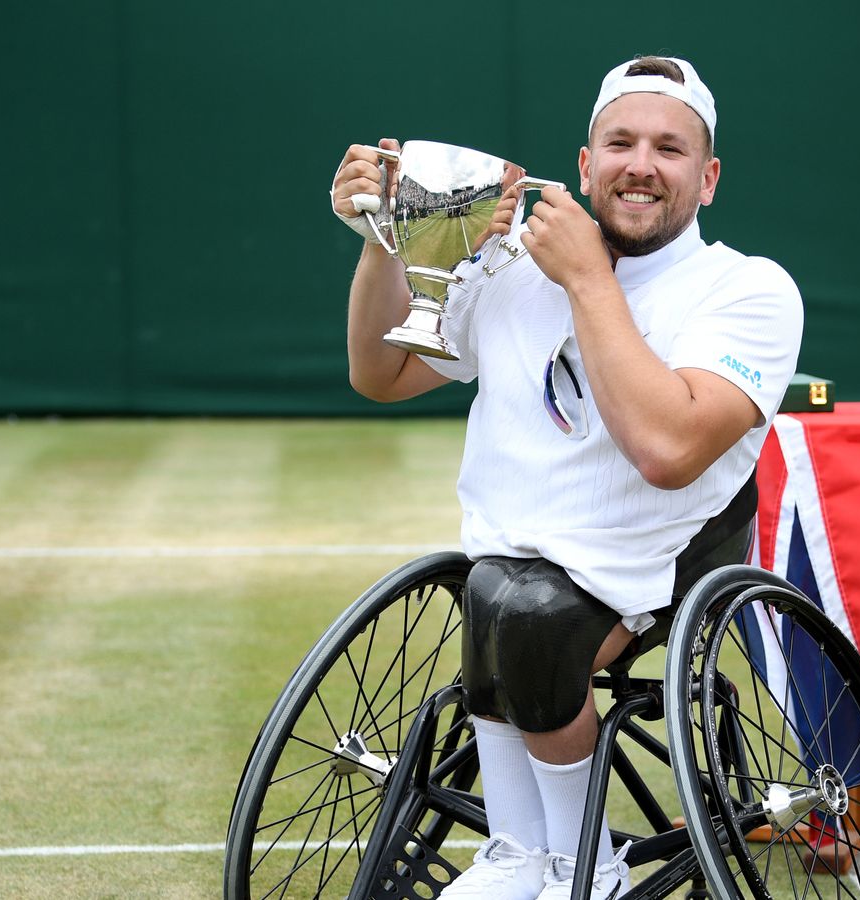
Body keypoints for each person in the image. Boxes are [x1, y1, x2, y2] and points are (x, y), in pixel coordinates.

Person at [330, 56, 803, 900]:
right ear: (585, 166)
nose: (641, 164)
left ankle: (593, 871)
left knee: (531, 618)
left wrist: (587, 277)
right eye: (619, 142)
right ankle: (520, 854)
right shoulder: (509, 265)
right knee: (497, 597)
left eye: (670, 148)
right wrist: (386, 242)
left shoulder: (751, 288)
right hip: (513, 553)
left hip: (663, 547)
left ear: (709, 177)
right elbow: (383, 374)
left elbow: (668, 450)